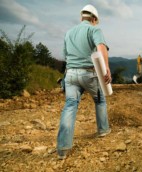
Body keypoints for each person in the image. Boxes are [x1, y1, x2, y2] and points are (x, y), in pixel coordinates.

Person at [57, 4, 112, 160]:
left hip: (70, 75)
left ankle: (63, 149)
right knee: (100, 100)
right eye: (96, 21)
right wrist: (106, 68)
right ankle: (103, 130)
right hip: (88, 73)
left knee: (70, 106)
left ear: (82, 17)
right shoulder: (94, 30)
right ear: (93, 19)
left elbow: (65, 55)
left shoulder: (68, 33)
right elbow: (101, 47)